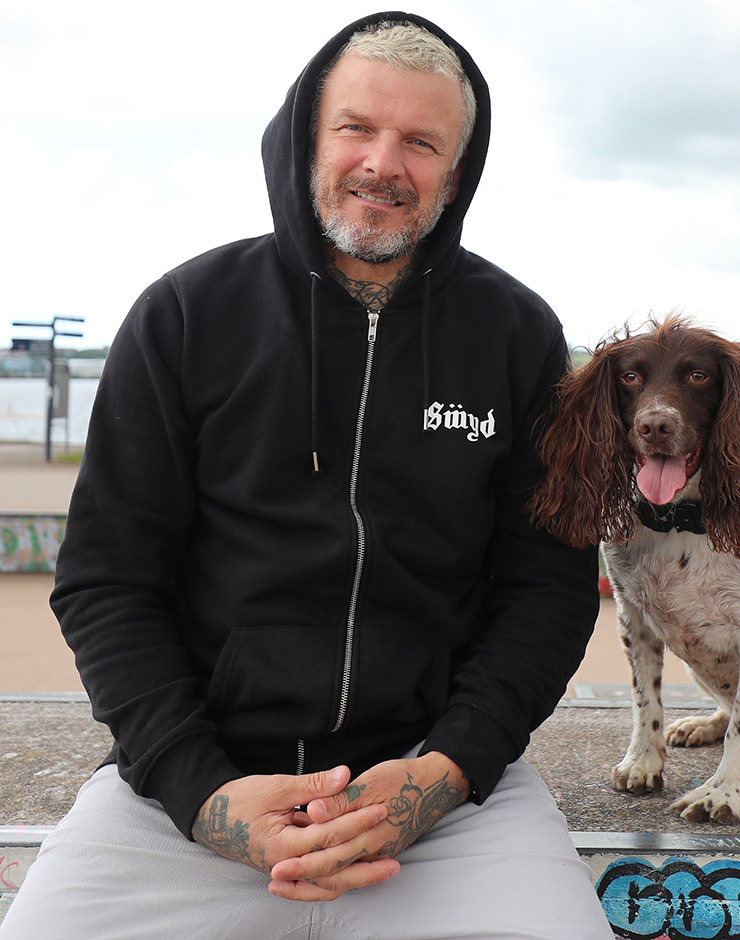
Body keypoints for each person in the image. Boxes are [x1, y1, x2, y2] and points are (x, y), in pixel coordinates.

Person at [0, 12, 613, 939]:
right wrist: (200, 790)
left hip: (434, 795)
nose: (383, 163)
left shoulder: (518, 337)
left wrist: (448, 771)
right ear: (305, 136)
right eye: (356, 128)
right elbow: (108, 578)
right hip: (187, 793)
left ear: (458, 171)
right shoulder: (185, 315)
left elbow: (547, 591)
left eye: (421, 141)